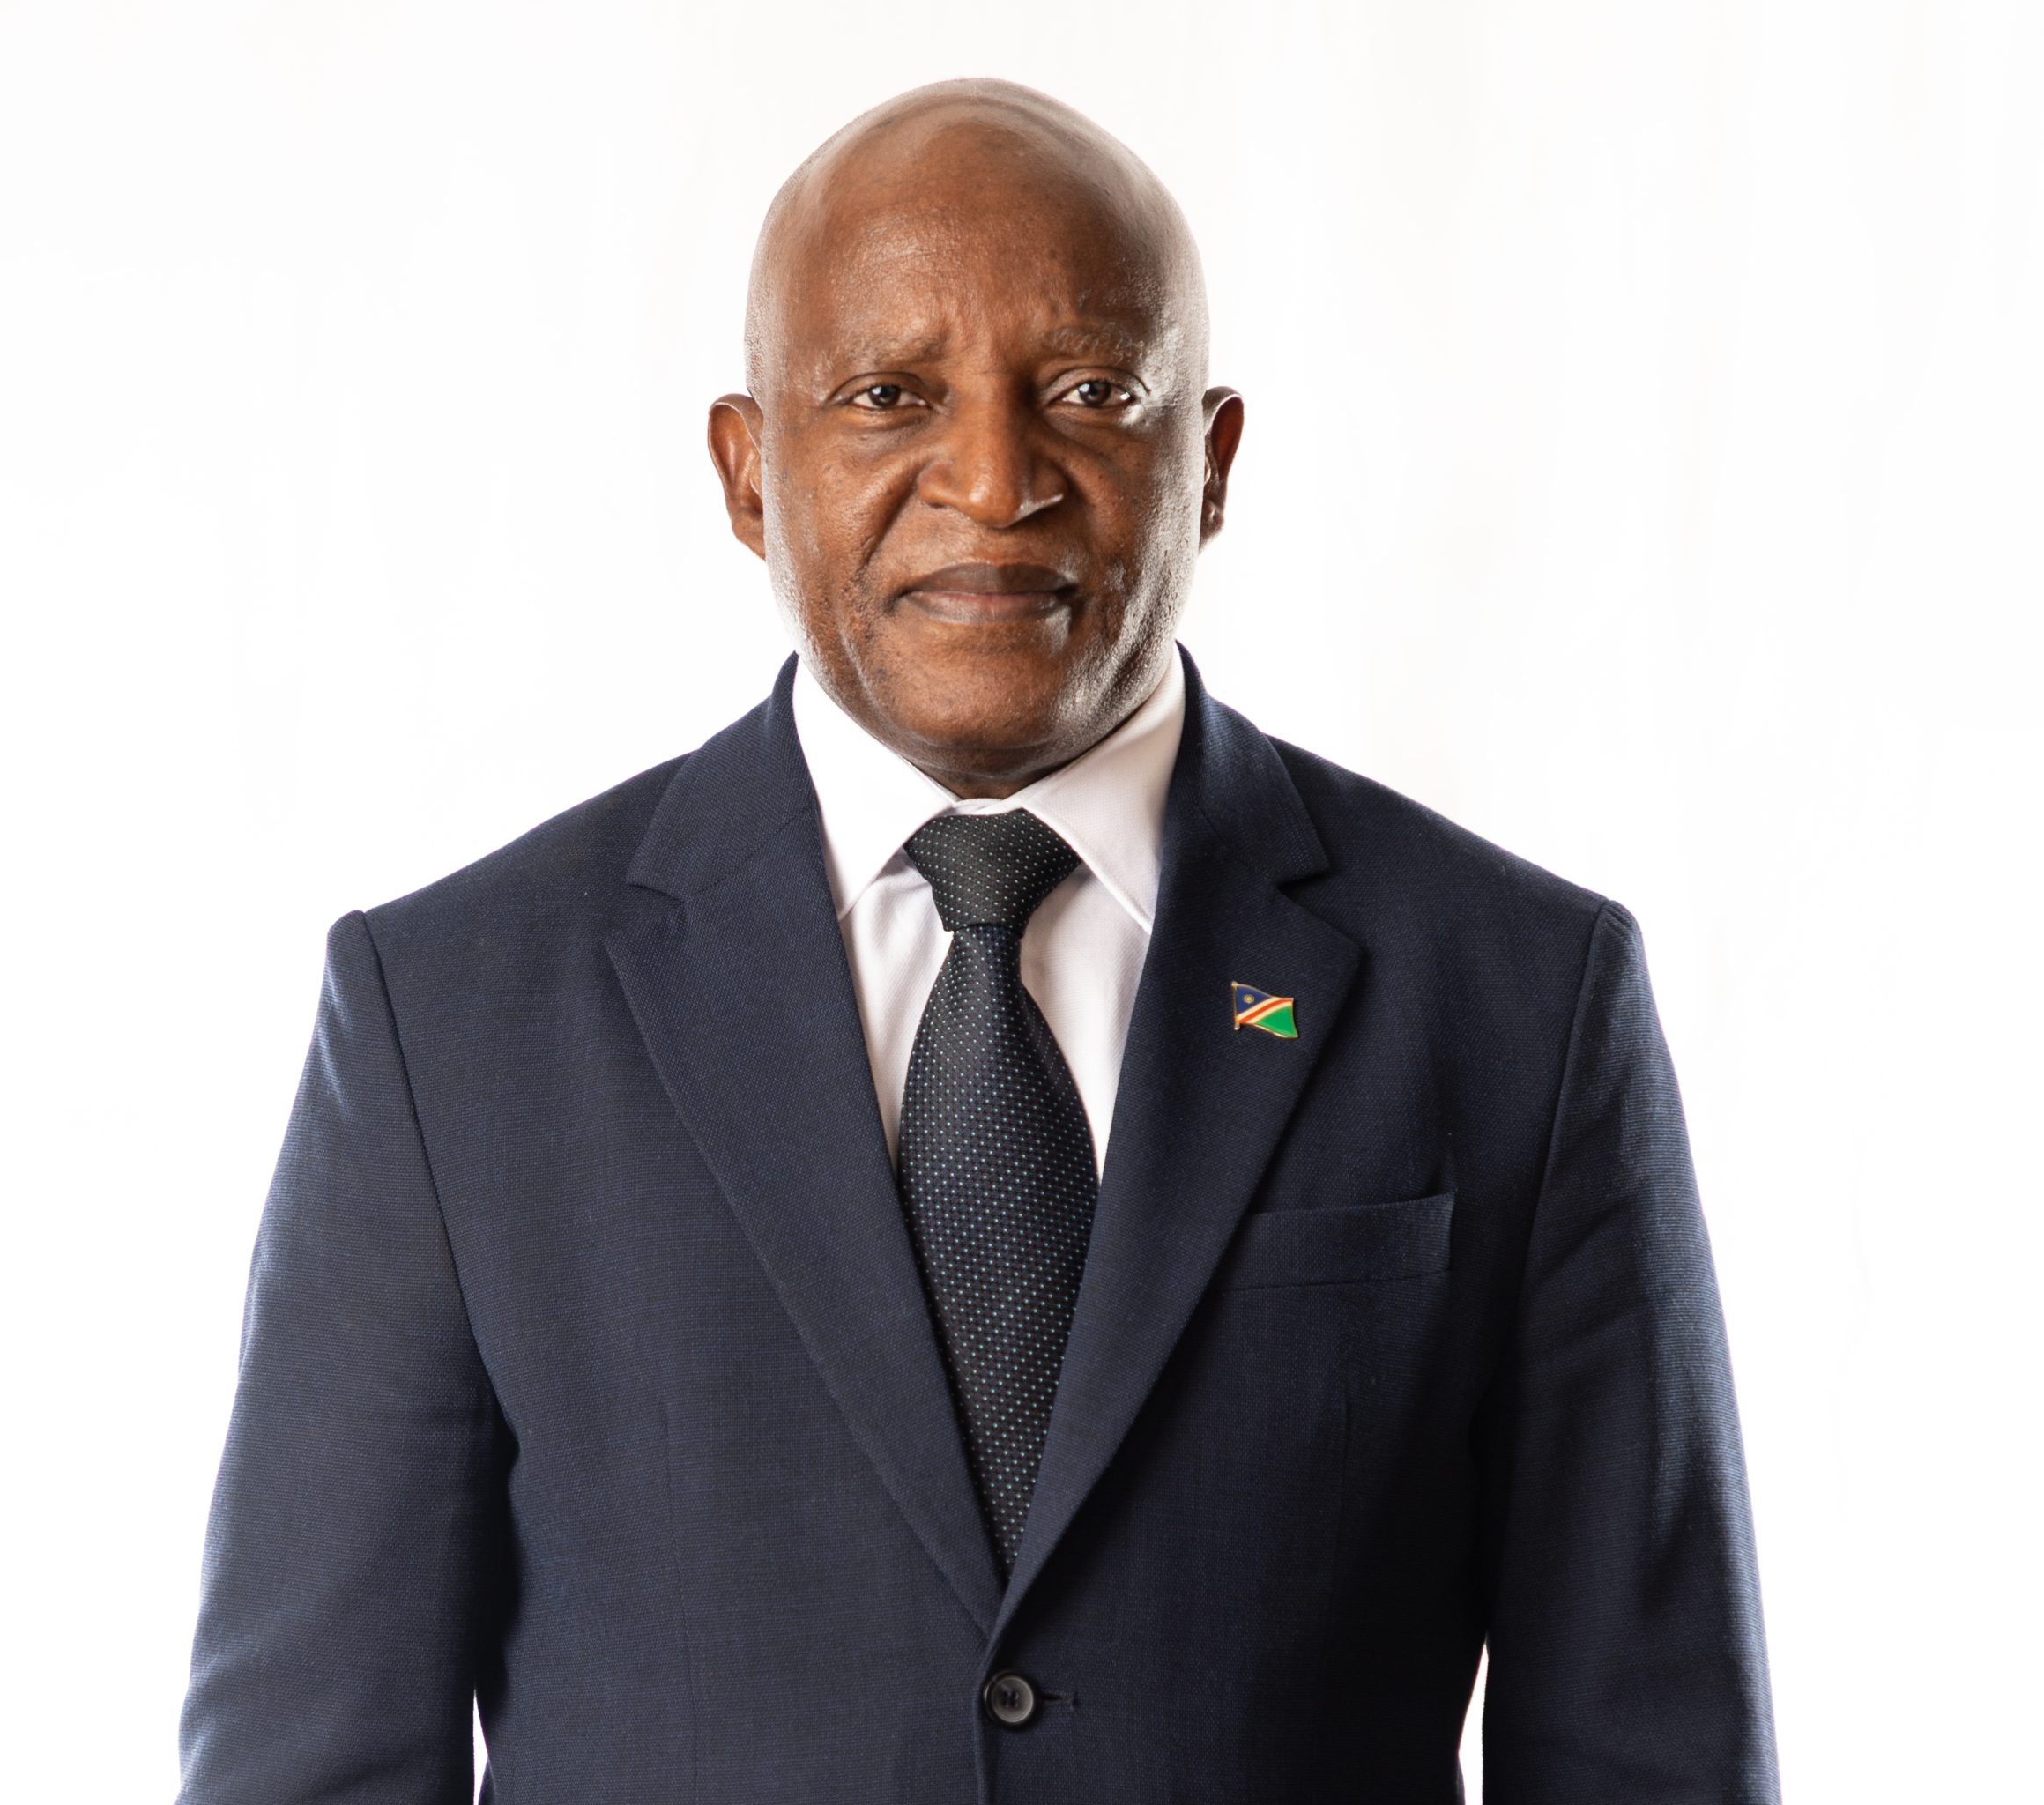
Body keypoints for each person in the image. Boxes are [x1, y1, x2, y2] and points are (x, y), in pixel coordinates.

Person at [176, 78, 1779, 1804]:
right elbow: (310, 1766)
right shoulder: (453, 1021)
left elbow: (1651, 1756)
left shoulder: (1517, 998)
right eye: (889, 397)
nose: (996, 482)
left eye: (1090, 392)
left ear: (1210, 462)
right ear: (746, 471)